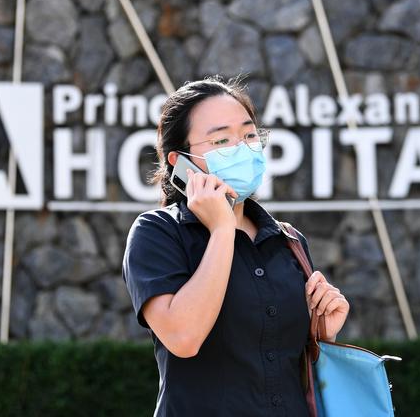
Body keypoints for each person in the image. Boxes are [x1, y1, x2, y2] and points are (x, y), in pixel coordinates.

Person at [122, 77, 349, 416]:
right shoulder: (158, 233)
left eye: (249, 135)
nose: (242, 148)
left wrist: (320, 333)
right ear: (179, 161)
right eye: (222, 140)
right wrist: (222, 229)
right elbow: (183, 337)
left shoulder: (287, 240)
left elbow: (287, 368)